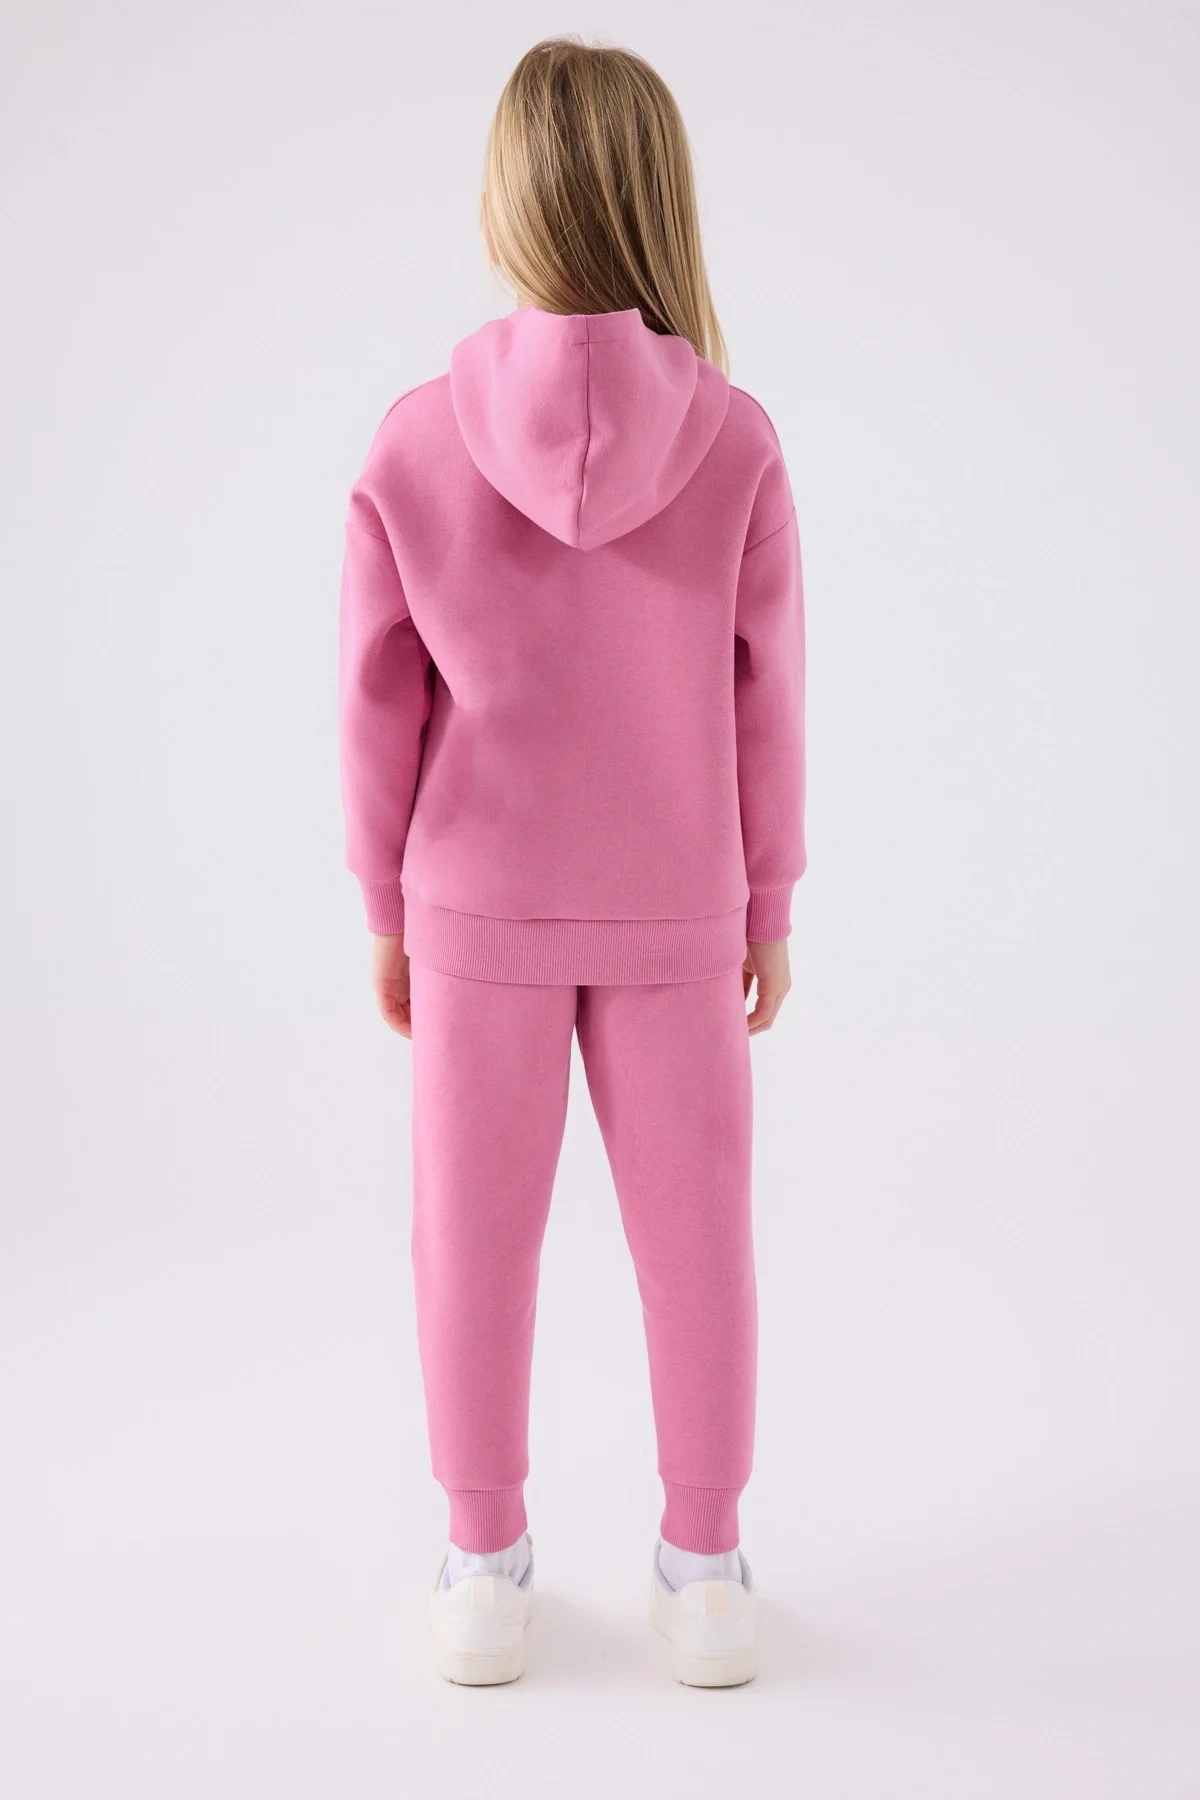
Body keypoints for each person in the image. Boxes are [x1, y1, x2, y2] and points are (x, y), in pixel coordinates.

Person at [338, 35, 805, 1688]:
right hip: (679, 905)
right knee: (701, 1242)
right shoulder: (737, 445)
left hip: (475, 905)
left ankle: (484, 1568)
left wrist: (383, 901)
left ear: (505, 208)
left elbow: (376, 698)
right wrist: (769, 901)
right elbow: (766, 696)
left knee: (470, 1242)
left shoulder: (414, 441)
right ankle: (707, 1568)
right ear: (658, 204)